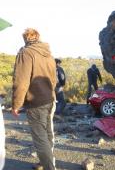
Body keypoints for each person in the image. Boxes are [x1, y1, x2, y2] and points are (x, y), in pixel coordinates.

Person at [12, 28, 57, 170]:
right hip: (50, 99)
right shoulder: (48, 53)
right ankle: (44, 162)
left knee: (40, 137)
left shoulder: (26, 53)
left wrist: (16, 105)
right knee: (48, 133)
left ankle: (49, 167)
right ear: (38, 37)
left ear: (25, 38)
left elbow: (21, 81)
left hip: (36, 101)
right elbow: (53, 79)